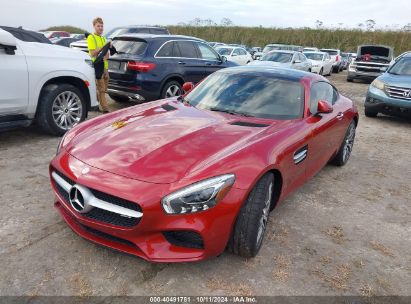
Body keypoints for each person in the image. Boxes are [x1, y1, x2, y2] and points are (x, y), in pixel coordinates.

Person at [87, 17, 110, 113]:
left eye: (102, 26)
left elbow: (107, 55)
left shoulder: (104, 38)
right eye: (98, 26)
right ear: (94, 26)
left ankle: (95, 103)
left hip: (105, 67)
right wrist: (103, 48)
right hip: (97, 66)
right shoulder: (91, 37)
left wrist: (108, 49)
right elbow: (92, 53)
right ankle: (105, 109)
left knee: (103, 89)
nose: (100, 28)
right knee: (101, 89)